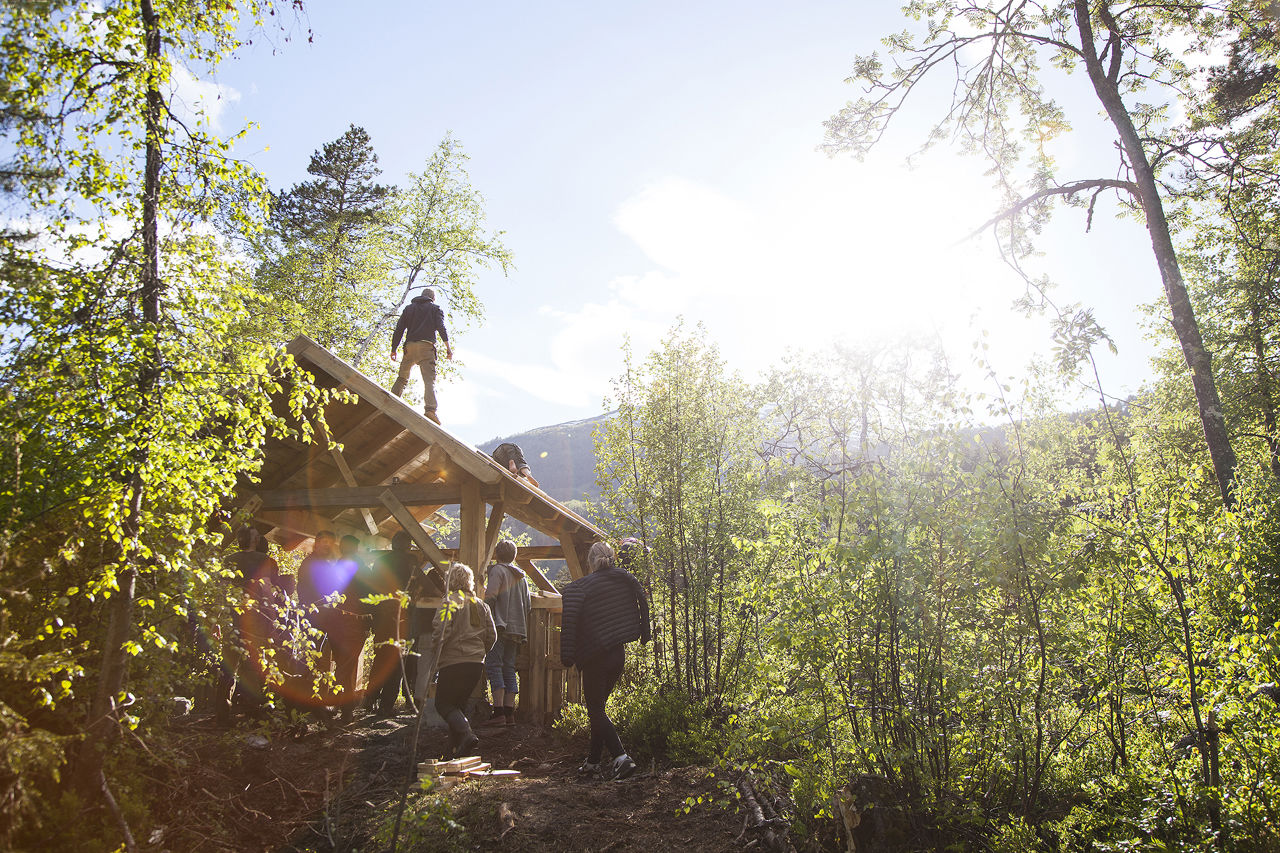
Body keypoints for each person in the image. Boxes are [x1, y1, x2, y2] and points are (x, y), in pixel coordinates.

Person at [560, 539, 651, 780]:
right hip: (617, 656)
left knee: (596, 711)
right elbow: (643, 600)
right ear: (613, 558)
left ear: (590, 562)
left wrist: (567, 656)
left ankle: (621, 758)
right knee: (598, 711)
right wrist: (645, 632)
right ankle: (592, 762)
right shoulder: (624, 579)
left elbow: (569, 622)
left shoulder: (580, 588)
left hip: (595, 658)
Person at [216, 526, 288, 725]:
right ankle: (253, 713)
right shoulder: (266, 561)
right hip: (257, 620)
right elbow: (269, 591)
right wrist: (274, 619)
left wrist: (219, 619)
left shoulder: (228, 560)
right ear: (255, 540)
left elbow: (221, 592)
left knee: (228, 666)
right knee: (254, 666)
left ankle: (222, 714)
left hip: (232, 619)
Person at [297, 531, 367, 722]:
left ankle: (331, 707)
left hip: (333, 623)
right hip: (327, 623)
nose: (328, 546)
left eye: (331, 543)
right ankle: (328, 708)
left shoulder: (334, 565)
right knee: (336, 666)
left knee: (337, 666)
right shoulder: (312, 565)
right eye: (324, 542)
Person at [432, 563, 497, 758]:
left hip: (453, 662)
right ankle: (452, 751)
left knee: (442, 704)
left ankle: (467, 735)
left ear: (450, 581)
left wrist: (436, 656)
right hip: (475, 663)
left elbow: (441, 633)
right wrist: (480, 652)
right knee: (457, 706)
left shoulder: (449, 602)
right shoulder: (481, 605)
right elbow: (492, 635)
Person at [362, 531, 421, 716]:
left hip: (382, 618)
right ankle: (386, 706)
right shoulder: (410, 562)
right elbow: (419, 585)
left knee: (380, 660)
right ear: (408, 546)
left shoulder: (380, 562)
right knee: (396, 662)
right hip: (402, 618)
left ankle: (369, 700)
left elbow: (369, 587)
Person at [482, 540, 531, 726]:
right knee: (509, 667)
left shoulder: (498, 571)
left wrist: (485, 618)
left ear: (497, 554)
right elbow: (528, 605)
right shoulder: (522, 577)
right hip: (518, 629)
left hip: (500, 626)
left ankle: (498, 712)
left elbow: (491, 598)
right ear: (514, 556)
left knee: (494, 665)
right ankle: (510, 714)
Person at [390, 287, 453, 424]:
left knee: (402, 378)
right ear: (433, 298)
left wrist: (393, 348)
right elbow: (441, 327)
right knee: (429, 381)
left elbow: (399, 329)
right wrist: (448, 348)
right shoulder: (435, 309)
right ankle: (430, 410)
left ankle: (391, 400)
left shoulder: (408, 309)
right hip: (426, 347)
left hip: (410, 347)